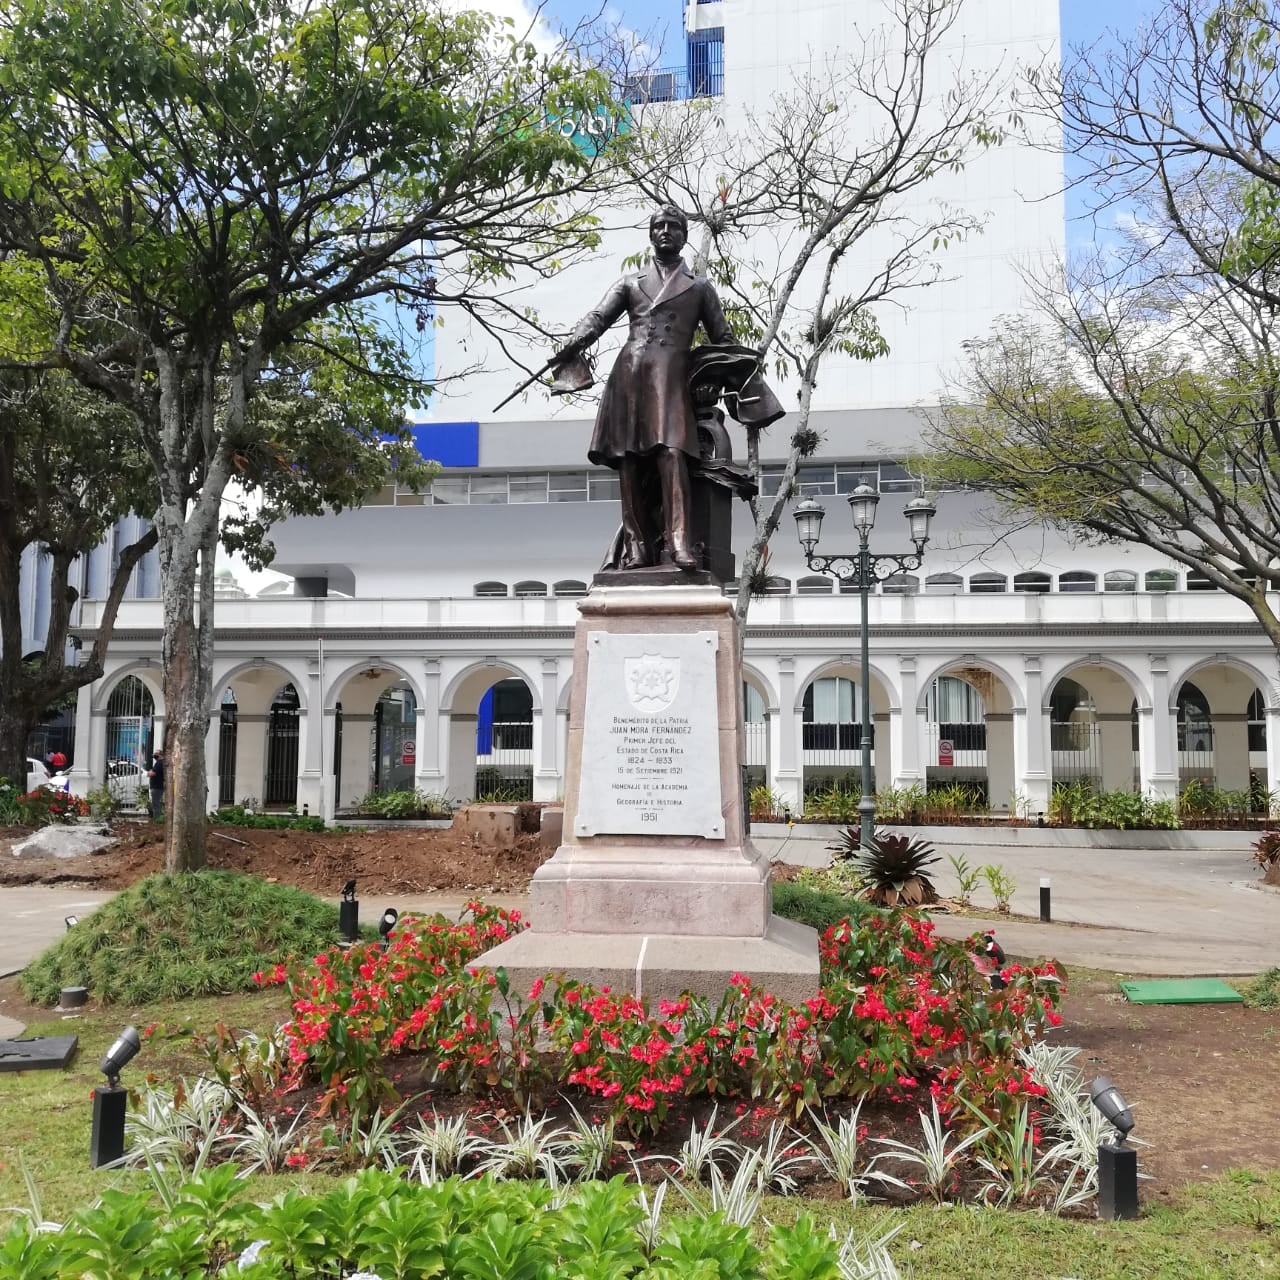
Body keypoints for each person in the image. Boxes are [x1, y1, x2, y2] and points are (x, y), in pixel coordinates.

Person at [554, 204, 779, 571]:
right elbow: (598, 318)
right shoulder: (630, 282)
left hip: (671, 379)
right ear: (651, 234)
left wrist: (715, 381)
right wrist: (574, 341)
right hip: (629, 376)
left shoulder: (700, 287)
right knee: (628, 460)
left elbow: (724, 340)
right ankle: (637, 547)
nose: (665, 231)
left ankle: (679, 542)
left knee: (672, 453)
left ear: (684, 236)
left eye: (673, 226)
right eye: (659, 226)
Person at [147, 748, 165, 819]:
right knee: (155, 803)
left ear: (160, 755)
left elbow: (151, 773)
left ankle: (157, 818)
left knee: (155, 804)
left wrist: (150, 772)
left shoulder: (160, 763)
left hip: (157, 787)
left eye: (156, 754)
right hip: (157, 786)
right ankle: (157, 818)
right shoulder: (159, 763)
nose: (154, 756)